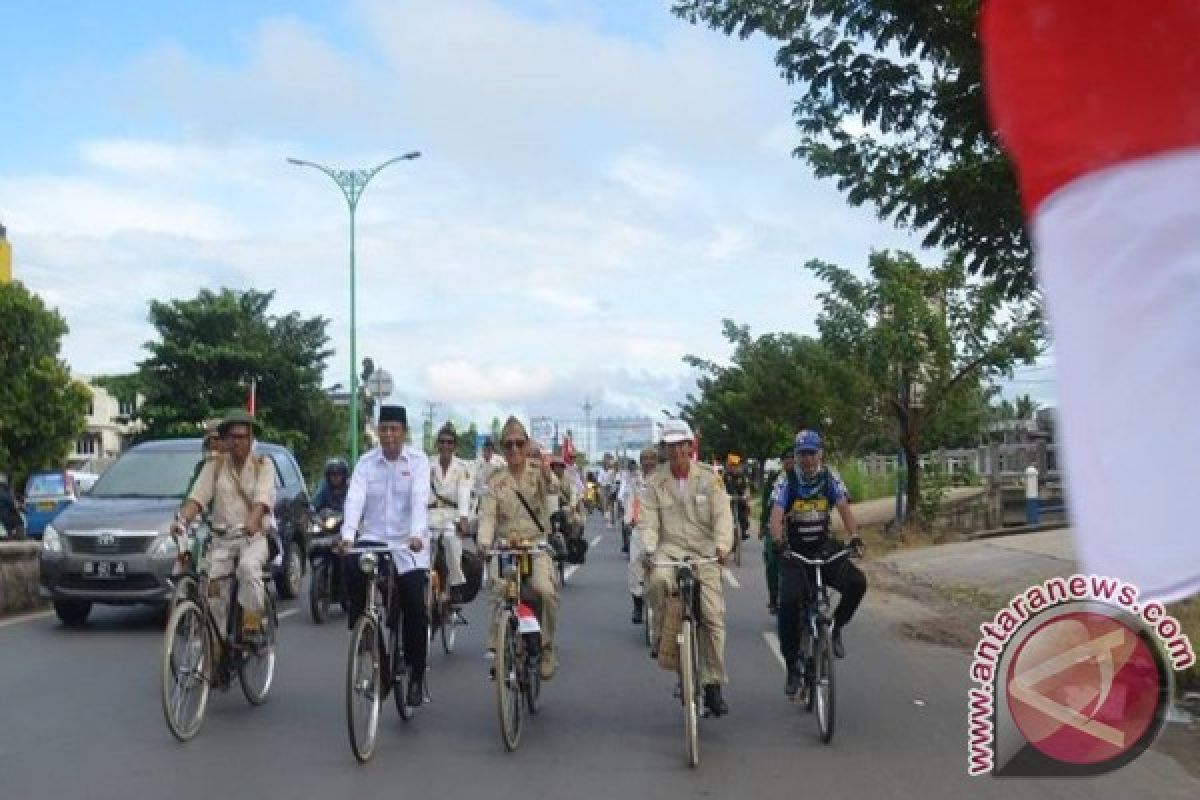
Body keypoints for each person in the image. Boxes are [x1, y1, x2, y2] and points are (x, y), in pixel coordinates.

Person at [336, 405, 432, 708]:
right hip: (375, 539)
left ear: (404, 432)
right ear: (378, 432)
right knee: (351, 561)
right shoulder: (366, 463)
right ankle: (361, 623)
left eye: (394, 429)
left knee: (415, 606)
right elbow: (355, 499)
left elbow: (419, 500)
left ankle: (416, 674)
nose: (389, 435)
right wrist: (348, 535)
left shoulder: (418, 462)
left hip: (409, 545)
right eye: (384, 429)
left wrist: (416, 534)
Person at [640, 420, 734, 717]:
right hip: (670, 549)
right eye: (671, 446)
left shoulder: (710, 478)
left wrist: (722, 547)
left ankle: (714, 684)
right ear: (665, 450)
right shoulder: (655, 482)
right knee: (655, 582)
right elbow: (649, 523)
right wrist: (650, 550)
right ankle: (659, 633)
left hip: (704, 551)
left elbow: (723, 517)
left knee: (712, 617)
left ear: (691, 447)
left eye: (682, 445)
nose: (677, 451)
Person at [768, 430, 866, 698]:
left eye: (812, 453)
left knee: (857, 583)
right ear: (797, 457)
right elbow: (776, 516)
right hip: (796, 554)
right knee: (787, 605)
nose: (808, 460)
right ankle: (792, 666)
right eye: (803, 454)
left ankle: (835, 628)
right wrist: (779, 542)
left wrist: (854, 536)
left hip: (824, 549)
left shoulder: (830, 478)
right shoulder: (785, 481)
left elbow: (845, 510)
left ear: (820, 453)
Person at [477, 417, 570, 680]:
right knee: (497, 591)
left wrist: (544, 468)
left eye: (519, 444)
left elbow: (555, 488)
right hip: (507, 545)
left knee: (545, 591)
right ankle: (498, 648)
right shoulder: (496, 480)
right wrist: (484, 544)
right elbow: (488, 516)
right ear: (502, 449)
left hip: (535, 544)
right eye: (508, 446)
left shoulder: (536, 472)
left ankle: (547, 647)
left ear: (527, 444)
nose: (515, 450)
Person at [174, 409, 275, 641]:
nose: (238, 442)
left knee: (249, 569)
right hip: (221, 540)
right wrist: (182, 520)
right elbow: (197, 498)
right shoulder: (215, 466)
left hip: (253, 539)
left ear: (251, 439)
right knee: (212, 595)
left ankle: (252, 623)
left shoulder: (263, 465)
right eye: (233, 437)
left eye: (243, 437)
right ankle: (214, 652)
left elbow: (262, 499)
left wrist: (252, 521)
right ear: (226, 440)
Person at [429, 423, 472, 599]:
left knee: (450, 540)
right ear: (437, 444)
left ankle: (455, 585)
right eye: (442, 442)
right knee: (420, 544)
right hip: (429, 515)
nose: (445, 446)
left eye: (450, 442)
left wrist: (463, 518)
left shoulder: (462, 468)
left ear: (454, 446)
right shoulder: (427, 464)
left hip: (451, 515)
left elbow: (464, 493)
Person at [759, 447, 795, 615]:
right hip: (776, 524)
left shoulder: (805, 478)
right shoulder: (776, 479)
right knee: (772, 561)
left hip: (798, 525)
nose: (790, 461)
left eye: (792, 458)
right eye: (786, 458)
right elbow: (768, 504)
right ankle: (774, 598)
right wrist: (763, 525)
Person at [625, 446, 658, 625]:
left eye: (651, 458)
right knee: (635, 565)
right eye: (644, 459)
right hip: (639, 528)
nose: (648, 462)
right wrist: (629, 518)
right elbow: (630, 500)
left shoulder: (663, 480)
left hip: (659, 530)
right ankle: (638, 606)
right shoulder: (636, 481)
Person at [723, 454, 750, 541]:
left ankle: (744, 529)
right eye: (732, 465)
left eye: (736, 465)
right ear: (728, 465)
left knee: (746, 509)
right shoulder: (724, 476)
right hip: (727, 499)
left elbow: (746, 487)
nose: (734, 467)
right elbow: (719, 488)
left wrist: (746, 495)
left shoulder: (741, 476)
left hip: (739, 498)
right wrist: (724, 495)